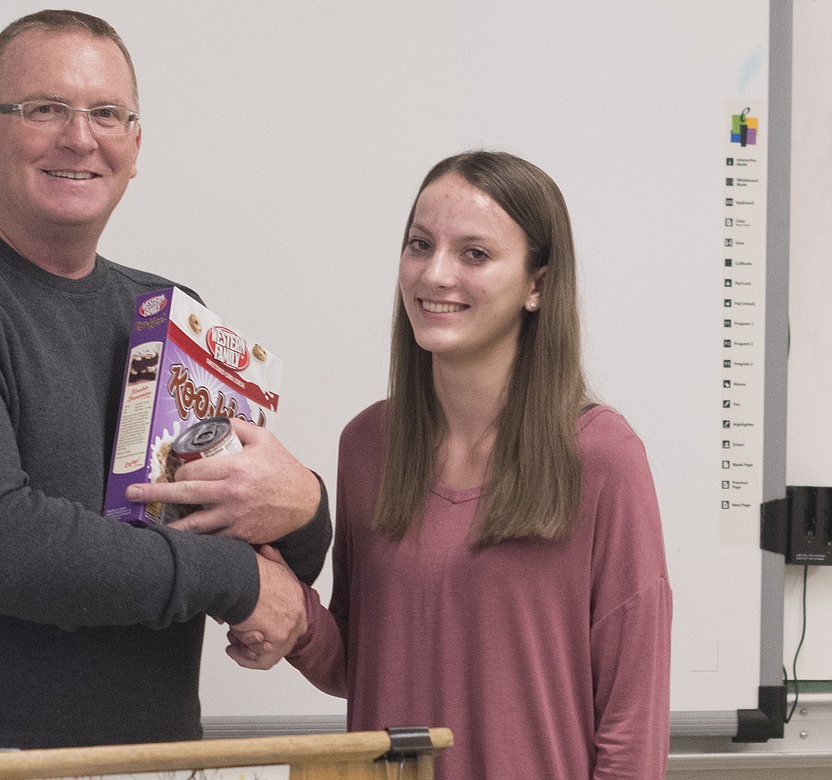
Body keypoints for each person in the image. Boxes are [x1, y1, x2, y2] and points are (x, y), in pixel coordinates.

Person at [0, 10, 329, 779]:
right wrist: (236, 581)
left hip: (150, 761)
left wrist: (304, 506)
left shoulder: (171, 314)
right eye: (44, 108)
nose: (80, 137)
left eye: (106, 114)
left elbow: (247, 535)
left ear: (135, 146)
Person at [224, 151, 673, 778]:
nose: (435, 274)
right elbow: (364, 668)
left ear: (538, 285)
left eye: (475, 254)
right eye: (420, 244)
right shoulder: (367, 446)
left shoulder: (601, 457)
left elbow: (631, 725)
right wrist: (289, 615)